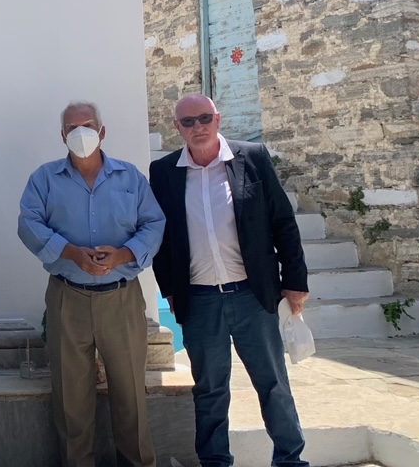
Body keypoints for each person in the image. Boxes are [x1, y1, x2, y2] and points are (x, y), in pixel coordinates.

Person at [149, 93, 310, 467]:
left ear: (218, 119)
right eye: (188, 122)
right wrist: (169, 289)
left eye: (204, 118)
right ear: (177, 128)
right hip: (200, 300)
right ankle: (215, 461)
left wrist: (295, 281)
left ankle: (290, 459)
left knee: (273, 384)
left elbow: (283, 223)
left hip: (252, 295)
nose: (198, 127)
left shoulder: (251, 158)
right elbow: (160, 238)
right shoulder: (164, 172)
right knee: (210, 389)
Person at [18, 101, 165, 467]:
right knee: (71, 400)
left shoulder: (130, 177)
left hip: (121, 299)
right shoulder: (44, 179)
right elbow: (28, 224)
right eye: (72, 127)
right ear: (62, 135)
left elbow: (154, 223)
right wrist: (70, 252)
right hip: (67, 298)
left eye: (87, 124)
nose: (80, 132)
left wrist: (123, 254)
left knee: (130, 395)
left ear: (102, 131)